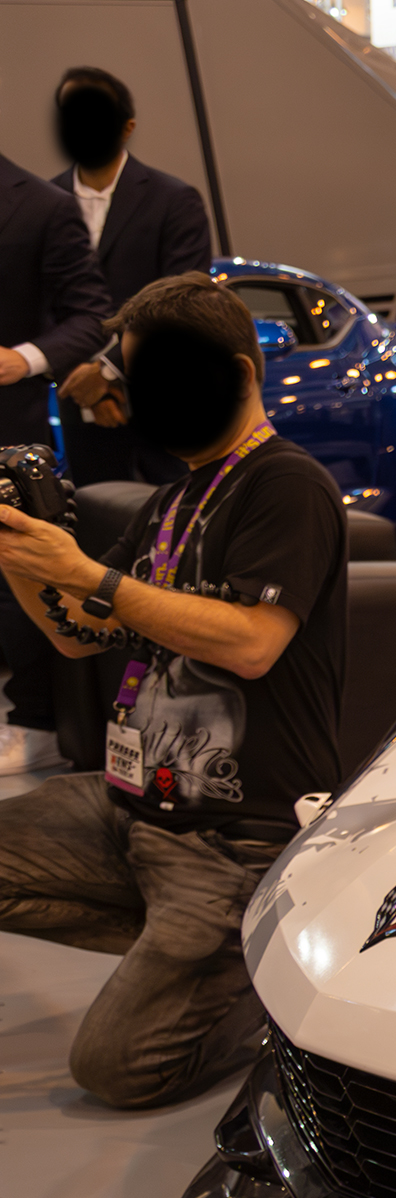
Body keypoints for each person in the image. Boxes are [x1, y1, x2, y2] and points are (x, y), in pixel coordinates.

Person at [0, 272, 346, 1110]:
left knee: (115, 1068)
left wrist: (85, 573)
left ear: (239, 371)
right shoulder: (171, 500)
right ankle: (193, 957)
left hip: (236, 840)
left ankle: (256, 989)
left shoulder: (285, 485)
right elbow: (79, 632)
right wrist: (23, 562)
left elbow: (255, 643)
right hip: (133, 808)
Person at [0, 136, 111, 776]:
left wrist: (25, 359)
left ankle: (33, 720)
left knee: (14, 583)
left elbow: (91, 314)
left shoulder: (41, 206)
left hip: (4, 429)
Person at [50, 66, 217, 487]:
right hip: (78, 405)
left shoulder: (175, 201)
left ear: (126, 127)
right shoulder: (42, 202)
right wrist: (85, 383)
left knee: (176, 526)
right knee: (95, 523)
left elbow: (181, 301)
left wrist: (107, 372)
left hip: (163, 398)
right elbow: (40, 302)